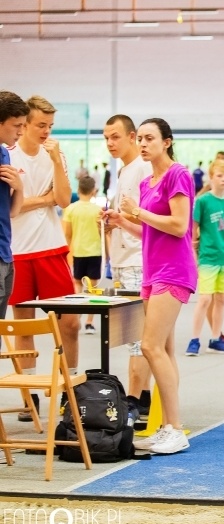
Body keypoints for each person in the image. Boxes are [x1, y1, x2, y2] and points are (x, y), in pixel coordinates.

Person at [104, 118, 196, 455]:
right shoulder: (147, 182)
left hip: (174, 270)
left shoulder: (178, 174)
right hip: (152, 271)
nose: (142, 144)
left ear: (167, 142)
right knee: (164, 352)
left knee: (150, 347)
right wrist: (123, 221)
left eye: (149, 138)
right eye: (139, 138)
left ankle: (174, 427)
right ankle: (165, 426)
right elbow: (149, 233)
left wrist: (139, 212)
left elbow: (178, 225)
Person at [8, 95, 79, 421]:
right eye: (40, 125)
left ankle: (70, 389)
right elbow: (13, 207)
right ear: (24, 123)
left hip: (51, 248)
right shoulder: (8, 153)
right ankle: (30, 398)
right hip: (18, 251)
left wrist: (55, 164)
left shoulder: (56, 154)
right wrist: (42, 199)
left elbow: (63, 199)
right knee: (24, 328)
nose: (45, 131)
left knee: (70, 322)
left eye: (50, 126)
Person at [103, 113, 153, 422]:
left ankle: (135, 399)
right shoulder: (123, 171)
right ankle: (141, 396)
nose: (110, 143)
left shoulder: (143, 169)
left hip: (139, 259)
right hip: (122, 260)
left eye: (116, 136)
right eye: (106, 138)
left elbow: (147, 218)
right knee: (130, 335)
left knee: (139, 337)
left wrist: (123, 220)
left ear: (132, 136)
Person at [186, 160, 224, 356]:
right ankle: (194, 339)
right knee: (204, 299)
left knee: (222, 300)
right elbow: (192, 231)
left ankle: (216, 338)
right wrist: (193, 255)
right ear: (211, 178)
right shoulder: (202, 202)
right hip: (208, 257)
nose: (223, 179)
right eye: (219, 175)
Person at [0, 91, 28, 321]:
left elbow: (12, 211)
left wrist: (18, 187)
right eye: (16, 125)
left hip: (6, 253)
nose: (20, 131)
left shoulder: (4, 155)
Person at [62, 176, 102, 334]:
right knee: (93, 287)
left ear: (78, 191)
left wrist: (67, 253)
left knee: (77, 283)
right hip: (95, 251)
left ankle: (77, 315)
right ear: (94, 191)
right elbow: (102, 232)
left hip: (78, 251)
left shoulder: (71, 209)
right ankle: (89, 322)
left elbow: (67, 234)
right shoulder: (98, 210)